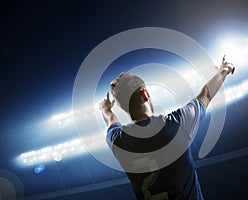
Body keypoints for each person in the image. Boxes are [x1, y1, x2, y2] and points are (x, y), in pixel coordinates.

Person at [99, 55, 235, 200]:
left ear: (120, 106)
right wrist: (224, 70)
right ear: (145, 94)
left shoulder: (117, 141)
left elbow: (110, 121)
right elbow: (206, 95)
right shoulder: (176, 124)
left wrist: (105, 109)